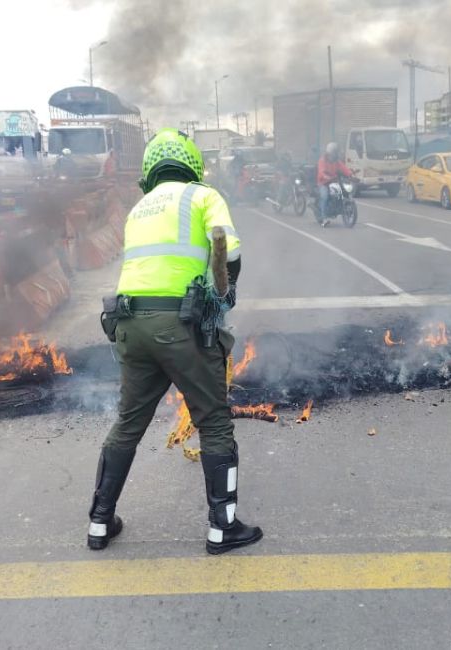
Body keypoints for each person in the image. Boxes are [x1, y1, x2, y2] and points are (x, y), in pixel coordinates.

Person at [87, 128, 262, 555]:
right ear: (191, 165)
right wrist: (225, 294)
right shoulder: (204, 195)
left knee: (128, 423)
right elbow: (228, 249)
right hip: (181, 328)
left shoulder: (138, 209)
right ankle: (223, 528)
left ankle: (99, 521)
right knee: (214, 422)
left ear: (150, 171)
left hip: (128, 325)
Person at [316, 142, 354, 220]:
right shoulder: (322, 160)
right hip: (323, 182)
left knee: (342, 192)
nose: (335, 154)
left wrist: (350, 174)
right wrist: (325, 176)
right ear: (329, 152)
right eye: (334, 152)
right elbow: (321, 171)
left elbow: (344, 168)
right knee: (325, 196)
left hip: (334, 181)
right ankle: (323, 216)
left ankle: (339, 207)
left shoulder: (336, 161)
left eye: (336, 152)